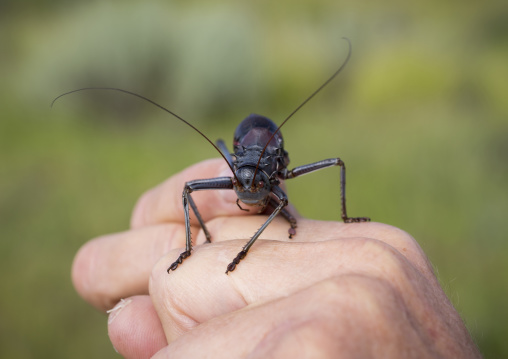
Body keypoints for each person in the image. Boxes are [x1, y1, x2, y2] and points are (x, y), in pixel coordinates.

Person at [72, 158, 481, 358]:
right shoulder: (234, 173)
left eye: (258, 184)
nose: (248, 190)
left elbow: (279, 197)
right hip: (242, 168)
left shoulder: (274, 183)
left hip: (267, 163)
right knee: (190, 189)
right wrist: (196, 243)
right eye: (241, 182)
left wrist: (246, 249)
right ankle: (191, 247)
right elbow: (190, 192)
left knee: (321, 171)